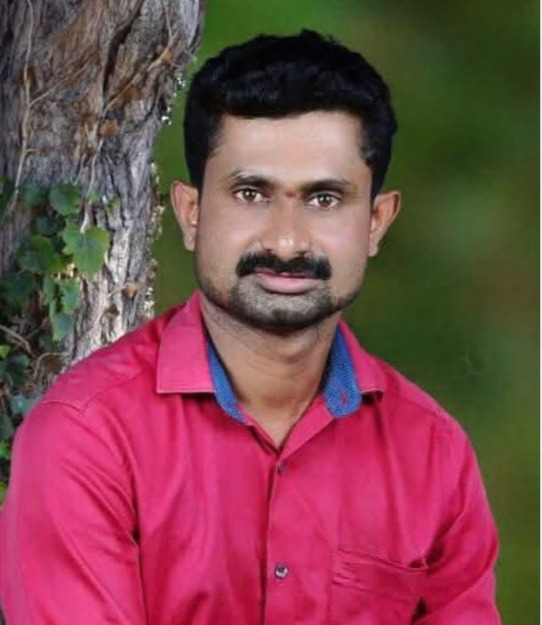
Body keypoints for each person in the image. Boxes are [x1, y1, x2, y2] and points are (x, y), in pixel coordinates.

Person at [0, 30, 500, 625]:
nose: (286, 241)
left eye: (324, 199)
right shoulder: (87, 437)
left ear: (376, 222)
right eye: (250, 193)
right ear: (191, 213)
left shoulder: (432, 454)